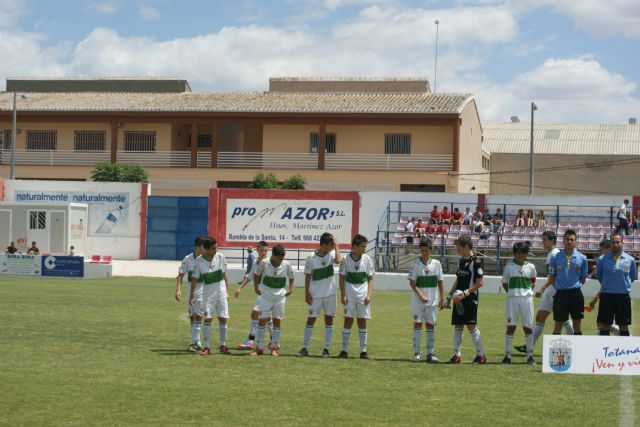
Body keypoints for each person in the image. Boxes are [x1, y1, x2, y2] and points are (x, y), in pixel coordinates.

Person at [515, 231, 573, 353]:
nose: (542, 242)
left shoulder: (555, 254)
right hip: (550, 291)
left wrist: (542, 289)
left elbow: (556, 276)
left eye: (545, 239)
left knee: (564, 319)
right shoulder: (551, 254)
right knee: (540, 317)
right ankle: (529, 346)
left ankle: (576, 342)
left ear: (552, 240)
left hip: (556, 291)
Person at [297, 233, 342, 358]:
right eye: (331, 245)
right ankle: (305, 347)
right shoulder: (311, 257)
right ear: (324, 244)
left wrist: (337, 245)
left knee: (329, 319)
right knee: (311, 319)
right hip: (315, 294)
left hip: (330, 294)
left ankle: (326, 349)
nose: (333, 247)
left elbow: (338, 260)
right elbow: (307, 276)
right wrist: (306, 293)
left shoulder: (332, 254)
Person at [443, 235, 486, 365]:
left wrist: (465, 294)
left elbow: (480, 283)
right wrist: (449, 297)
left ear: (467, 247)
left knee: (471, 325)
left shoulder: (476, 261)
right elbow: (458, 280)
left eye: (459, 248)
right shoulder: (461, 261)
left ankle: (481, 356)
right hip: (458, 299)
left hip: (470, 298)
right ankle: (457, 355)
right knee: (458, 325)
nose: (457, 251)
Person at [538, 229, 588, 335]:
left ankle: (577, 350)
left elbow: (583, 278)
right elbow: (552, 277)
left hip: (576, 294)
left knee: (577, 324)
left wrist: (574, 286)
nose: (569, 241)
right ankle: (556, 351)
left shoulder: (582, 258)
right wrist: (560, 286)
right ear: (563, 241)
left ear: (575, 241)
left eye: (572, 239)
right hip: (560, 294)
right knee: (558, 324)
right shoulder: (556, 257)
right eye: (567, 239)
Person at [250, 244, 295, 356]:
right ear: (273, 255)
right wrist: (256, 288)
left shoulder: (286, 264)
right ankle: (259, 347)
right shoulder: (265, 263)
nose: (281, 260)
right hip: (266, 297)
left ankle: (274, 347)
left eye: (283, 257)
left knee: (277, 321)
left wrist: (291, 289)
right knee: (262, 321)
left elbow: (291, 277)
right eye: (279, 257)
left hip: (280, 298)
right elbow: (256, 275)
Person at [189, 237, 231, 355]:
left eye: (216, 247)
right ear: (206, 249)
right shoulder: (199, 261)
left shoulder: (220, 257)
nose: (216, 250)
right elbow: (194, 278)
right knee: (207, 319)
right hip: (208, 296)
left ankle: (223, 345)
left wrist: (227, 292)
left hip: (221, 294)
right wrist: (192, 295)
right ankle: (207, 347)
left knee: (223, 318)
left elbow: (225, 276)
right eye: (213, 248)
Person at [407, 238, 445, 363]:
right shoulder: (415, 264)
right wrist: (421, 295)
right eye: (422, 250)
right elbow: (412, 283)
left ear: (431, 250)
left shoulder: (437, 264)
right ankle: (417, 353)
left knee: (430, 326)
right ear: (420, 250)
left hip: (432, 301)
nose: (424, 253)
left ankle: (430, 353)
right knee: (417, 325)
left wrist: (442, 297)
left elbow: (440, 282)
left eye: (426, 251)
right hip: (418, 302)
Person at [338, 234, 375, 359]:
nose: (364, 249)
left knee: (362, 321)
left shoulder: (367, 259)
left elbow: (370, 278)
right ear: (354, 246)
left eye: (365, 246)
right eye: (362, 246)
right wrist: (343, 295)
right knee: (348, 320)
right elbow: (341, 278)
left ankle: (363, 351)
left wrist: (369, 295)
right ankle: (344, 350)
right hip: (349, 295)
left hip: (363, 296)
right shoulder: (345, 259)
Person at [501, 241, 537, 366]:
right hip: (513, 299)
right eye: (518, 253)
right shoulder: (509, 267)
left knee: (528, 327)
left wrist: (525, 292)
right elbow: (505, 284)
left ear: (526, 254)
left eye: (523, 253)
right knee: (511, 327)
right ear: (515, 254)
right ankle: (508, 355)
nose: (521, 255)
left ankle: (530, 356)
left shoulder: (531, 267)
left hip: (527, 300)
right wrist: (513, 292)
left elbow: (533, 282)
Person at [594, 234, 637, 336]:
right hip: (607, 296)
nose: (615, 244)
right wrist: (609, 285)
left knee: (624, 326)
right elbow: (599, 277)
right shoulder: (602, 259)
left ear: (622, 243)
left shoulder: (630, 260)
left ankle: (624, 351)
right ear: (611, 244)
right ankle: (602, 350)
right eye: (613, 242)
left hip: (623, 297)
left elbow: (631, 277)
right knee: (605, 326)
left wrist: (621, 285)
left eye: (618, 242)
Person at [235, 241, 271, 350]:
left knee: (255, 313)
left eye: (265, 250)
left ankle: (251, 341)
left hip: (267, 293)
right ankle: (273, 342)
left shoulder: (269, 263)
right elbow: (250, 276)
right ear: (257, 250)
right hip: (261, 293)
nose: (264, 252)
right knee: (268, 318)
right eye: (261, 250)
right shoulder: (256, 262)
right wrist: (240, 287)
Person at [587, 239, 621, 335]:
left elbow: (607, 286)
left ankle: (629, 339)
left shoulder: (610, 263)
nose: (599, 252)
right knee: (603, 324)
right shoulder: (604, 262)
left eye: (601, 250)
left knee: (603, 324)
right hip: (610, 297)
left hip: (612, 298)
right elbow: (605, 285)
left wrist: (594, 300)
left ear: (609, 249)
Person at [177, 236, 205, 352]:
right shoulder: (188, 259)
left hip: (203, 290)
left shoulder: (206, 260)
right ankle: (194, 341)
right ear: (197, 247)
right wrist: (178, 290)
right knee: (192, 316)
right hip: (191, 290)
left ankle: (195, 341)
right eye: (203, 246)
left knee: (198, 315)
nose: (205, 249)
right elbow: (180, 275)